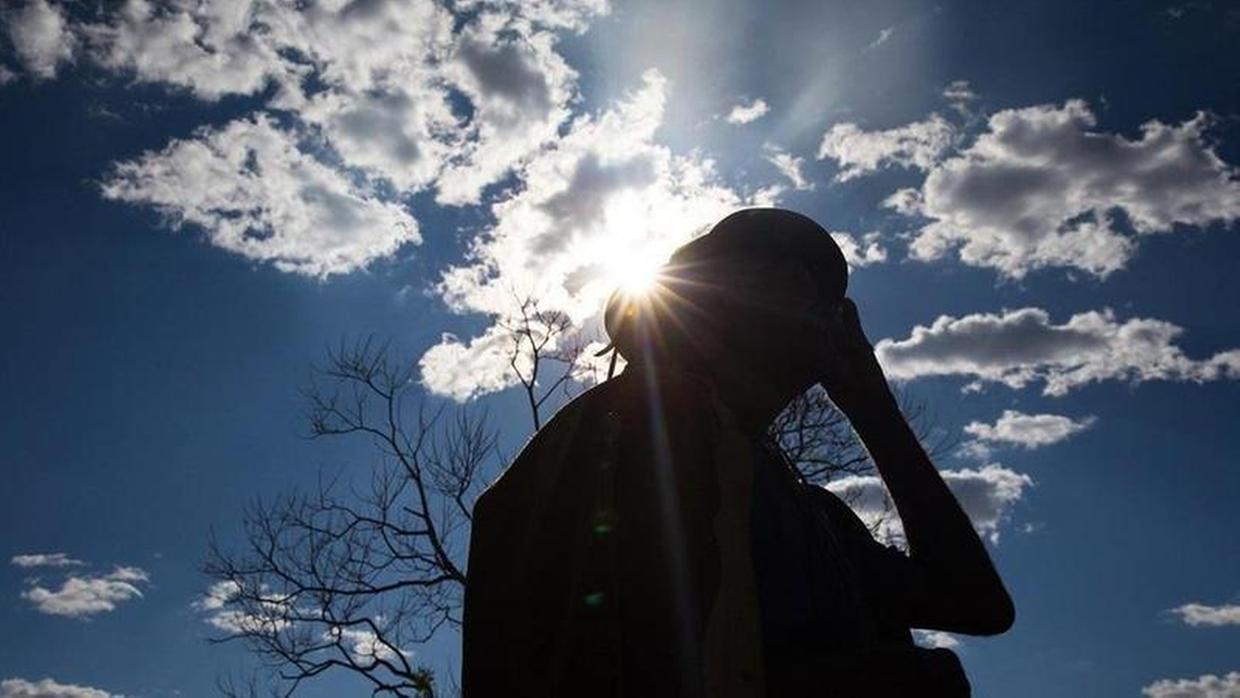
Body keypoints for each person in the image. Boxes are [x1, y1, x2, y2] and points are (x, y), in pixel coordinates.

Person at [462, 208, 1015, 697]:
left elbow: (975, 604)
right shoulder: (623, 429)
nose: (820, 310)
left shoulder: (820, 520)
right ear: (708, 304)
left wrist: (874, 409)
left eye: (823, 296)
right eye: (782, 274)